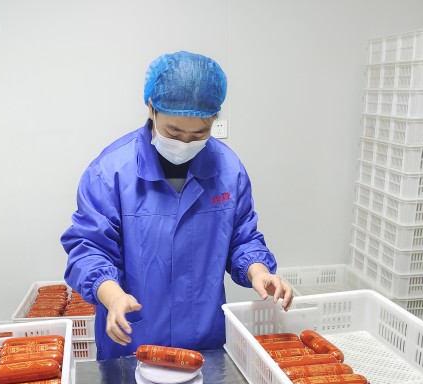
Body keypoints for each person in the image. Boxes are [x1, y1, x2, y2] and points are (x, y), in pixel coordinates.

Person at [61, 50, 293, 361]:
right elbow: (89, 249)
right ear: (151, 108)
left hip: (205, 343)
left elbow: (242, 238)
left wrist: (258, 271)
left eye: (199, 133)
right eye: (173, 132)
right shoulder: (110, 173)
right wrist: (112, 296)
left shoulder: (228, 171)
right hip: (133, 342)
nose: (184, 143)